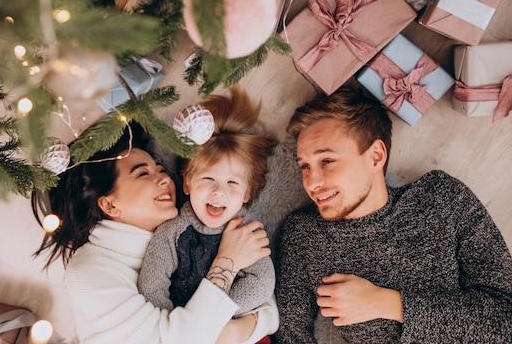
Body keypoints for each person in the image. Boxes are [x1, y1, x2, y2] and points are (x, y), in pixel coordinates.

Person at [274, 85, 512, 343]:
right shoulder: (305, 235)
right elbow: (290, 336)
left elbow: (505, 318)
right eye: (305, 166)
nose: (311, 182)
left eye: (327, 161)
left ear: (376, 156)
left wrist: (388, 303)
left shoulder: (441, 198)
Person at [31, 122, 279, 344]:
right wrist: (228, 262)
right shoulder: (90, 270)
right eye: (143, 173)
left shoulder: (193, 227)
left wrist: (249, 325)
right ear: (109, 205)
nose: (163, 179)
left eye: (160, 170)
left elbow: (268, 308)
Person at [138, 86, 277, 319]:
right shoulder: (171, 232)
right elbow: (152, 286)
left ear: (246, 193)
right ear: (187, 183)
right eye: (208, 178)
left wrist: (218, 316)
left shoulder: (247, 231)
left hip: (232, 326)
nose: (219, 191)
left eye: (232, 183)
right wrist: (181, 325)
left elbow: (262, 281)